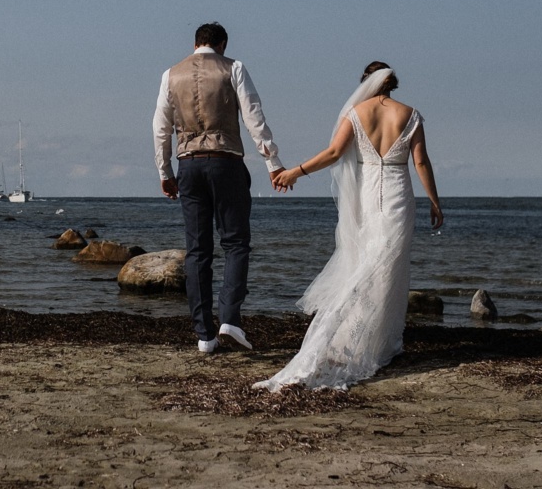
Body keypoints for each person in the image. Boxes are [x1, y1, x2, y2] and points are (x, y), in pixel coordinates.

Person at [255, 61, 443, 390]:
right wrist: (435, 201)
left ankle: (373, 341)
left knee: (369, 265)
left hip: (368, 200)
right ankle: (361, 339)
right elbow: (421, 161)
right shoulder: (410, 114)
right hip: (399, 199)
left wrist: (294, 172)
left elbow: (333, 152)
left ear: (366, 83)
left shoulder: (356, 113)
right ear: (391, 84)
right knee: (386, 271)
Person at [153, 22, 285, 354]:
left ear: (196, 43)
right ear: (222, 44)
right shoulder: (233, 68)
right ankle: (229, 319)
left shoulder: (171, 74)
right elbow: (254, 117)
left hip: (188, 164)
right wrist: (272, 162)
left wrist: (164, 171)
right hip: (225, 161)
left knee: (198, 250)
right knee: (236, 243)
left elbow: (160, 127)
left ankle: (204, 336)